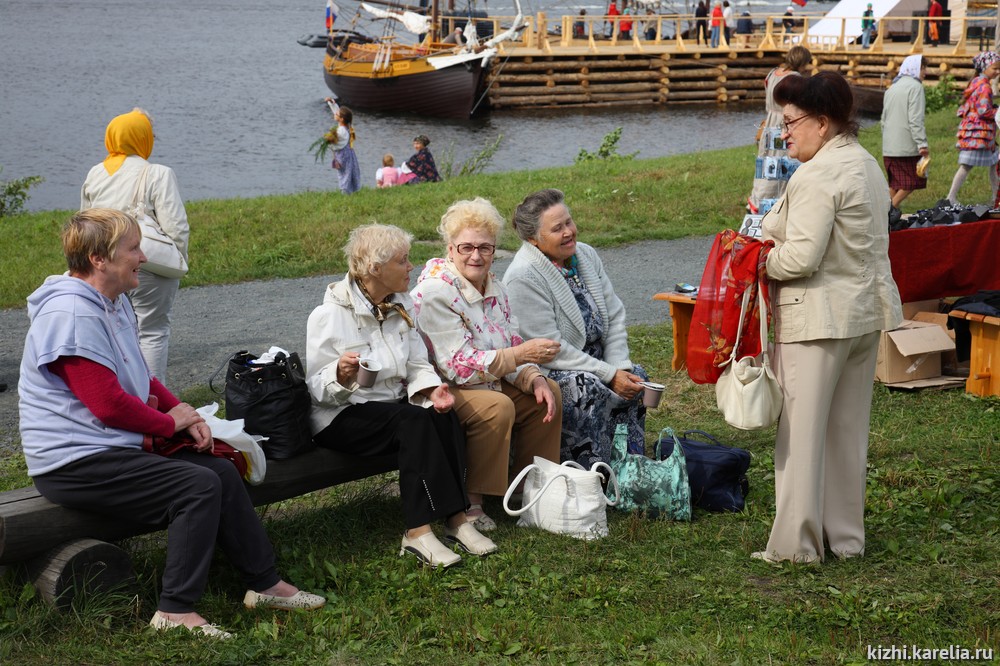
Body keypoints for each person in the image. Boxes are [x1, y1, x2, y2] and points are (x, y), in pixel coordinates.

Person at [19, 208, 326, 638]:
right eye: (133, 248)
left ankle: (265, 582)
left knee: (219, 470)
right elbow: (107, 405)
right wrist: (170, 424)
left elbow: (142, 377)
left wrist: (187, 415)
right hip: (73, 462)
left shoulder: (112, 301)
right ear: (99, 259)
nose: (142, 257)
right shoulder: (71, 315)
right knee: (195, 486)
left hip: (107, 448)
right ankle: (174, 612)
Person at [755, 72, 903, 564]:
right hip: (862, 317)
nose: (785, 133)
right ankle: (845, 539)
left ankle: (797, 547)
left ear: (823, 123)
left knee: (801, 435)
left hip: (818, 320)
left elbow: (799, 258)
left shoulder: (817, 174)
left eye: (792, 122)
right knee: (845, 434)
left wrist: (757, 263)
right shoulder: (864, 164)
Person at [306, 223, 497, 569]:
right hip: (341, 414)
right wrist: (339, 375)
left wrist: (429, 389)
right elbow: (317, 390)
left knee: (442, 414)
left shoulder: (399, 304)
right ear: (375, 269)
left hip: (388, 409)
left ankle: (455, 520)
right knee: (412, 421)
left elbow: (416, 363)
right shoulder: (329, 315)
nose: (412, 267)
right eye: (403, 261)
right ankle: (416, 531)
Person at [410, 198, 563, 531]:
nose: (476, 256)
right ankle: (471, 501)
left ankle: (530, 489)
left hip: (485, 379)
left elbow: (511, 344)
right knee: (497, 406)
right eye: (466, 247)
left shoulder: (498, 289)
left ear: (495, 250)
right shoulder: (436, 292)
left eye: (485, 248)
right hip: (443, 390)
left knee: (547, 390)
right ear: (450, 249)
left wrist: (533, 376)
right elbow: (458, 368)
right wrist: (522, 356)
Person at [503, 189, 650, 470]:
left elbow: (615, 314)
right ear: (533, 239)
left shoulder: (585, 255)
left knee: (637, 378)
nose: (569, 232)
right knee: (586, 386)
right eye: (557, 228)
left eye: (568, 222)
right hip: (552, 369)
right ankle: (590, 473)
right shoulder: (523, 276)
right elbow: (551, 350)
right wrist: (608, 374)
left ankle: (629, 465)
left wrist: (620, 365)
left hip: (595, 361)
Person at [81, 108, 187, 385]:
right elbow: (176, 225)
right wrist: (176, 259)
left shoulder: (95, 174)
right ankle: (154, 401)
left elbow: (86, 223)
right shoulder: (158, 173)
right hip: (147, 261)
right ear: (142, 138)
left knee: (112, 329)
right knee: (152, 331)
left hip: (103, 265)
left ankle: (120, 393)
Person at [748, 45, 812, 213]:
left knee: (766, 164)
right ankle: (773, 206)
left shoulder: (772, 73)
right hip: (783, 123)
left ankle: (756, 202)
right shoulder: (796, 78)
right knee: (781, 166)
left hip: (769, 123)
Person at [946, 51, 1000, 205]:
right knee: (968, 165)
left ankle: (995, 196)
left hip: (974, 131)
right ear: (984, 67)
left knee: (993, 162)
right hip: (980, 133)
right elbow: (984, 111)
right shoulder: (985, 87)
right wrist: (998, 111)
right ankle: (951, 197)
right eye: (994, 68)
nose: (998, 72)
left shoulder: (975, 82)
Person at [881, 55, 929, 224]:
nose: (926, 72)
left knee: (894, 184)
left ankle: (884, 214)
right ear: (915, 68)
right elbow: (915, 119)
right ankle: (888, 213)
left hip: (889, 145)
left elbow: (883, 119)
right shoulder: (915, 87)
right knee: (911, 182)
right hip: (906, 145)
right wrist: (922, 143)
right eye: (923, 68)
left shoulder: (892, 88)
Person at [324, 101, 362, 195]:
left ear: (341, 119)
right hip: (349, 155)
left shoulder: (341, 131)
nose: (335, 114)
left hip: (343, 157)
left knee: (344, 174)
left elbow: (335, 143)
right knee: (348, 173)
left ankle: (345, 192)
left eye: (337, 114)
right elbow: (338, 112)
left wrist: (327, 142)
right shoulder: (347, 126)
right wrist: (332, 103)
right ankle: (350, 191)